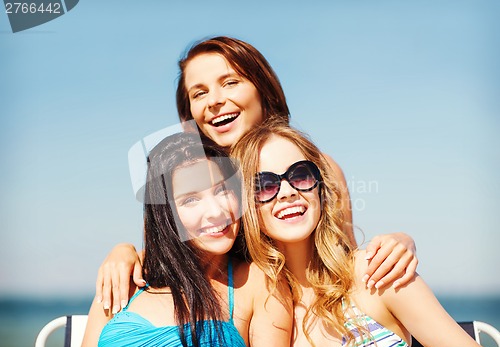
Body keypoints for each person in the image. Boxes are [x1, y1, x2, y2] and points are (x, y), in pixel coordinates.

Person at [96, 36, 418, 314]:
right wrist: (124, 252)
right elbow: (164, 258)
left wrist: (401, 242)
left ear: (262, 90)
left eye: (230, 82)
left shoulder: (320, 168)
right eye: (199, 93)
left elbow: (344, 258)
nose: (215, 101)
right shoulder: (180, 183)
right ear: (188, 115)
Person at [231, 118, 497, 347]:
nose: (288, 192)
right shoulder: (256, 308)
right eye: (264, 185)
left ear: (320, 186)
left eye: (300, 175)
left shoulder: (376, 273)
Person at [76, 132, 292, 347]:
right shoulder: (124, 278)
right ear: (165, 215)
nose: (216, 212)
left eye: (222, 190)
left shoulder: (257, 282)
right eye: (191, 199)